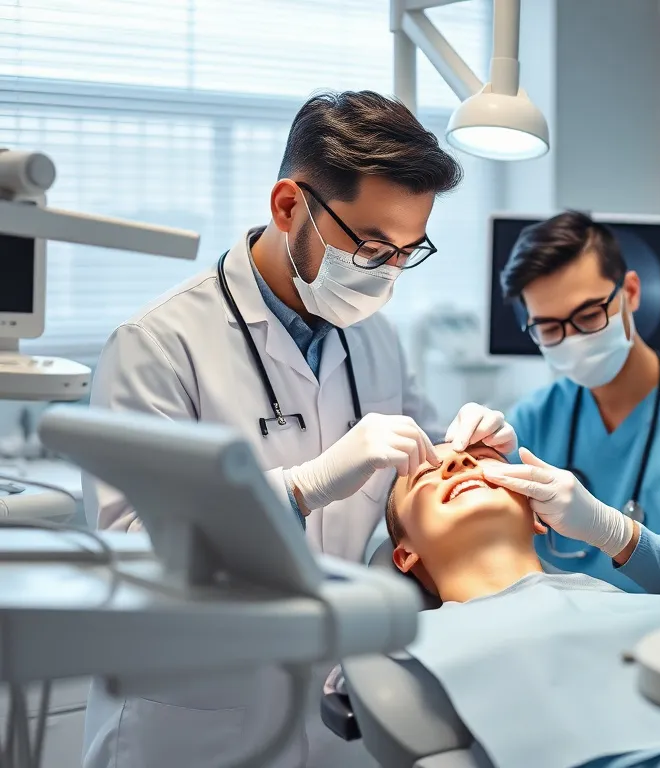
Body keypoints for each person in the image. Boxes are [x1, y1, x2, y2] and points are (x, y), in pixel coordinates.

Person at [81, 91, 517, 768]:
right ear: (289, 206)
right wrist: (299, 489)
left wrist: (478, 446)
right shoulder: (159, 344)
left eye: (409, 250)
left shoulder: (373, 340)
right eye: (371, 246)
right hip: (194, 722)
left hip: (332, 712)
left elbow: (425, 465)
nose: (388, 273)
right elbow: (131, 556)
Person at [349, 441, 660, 768]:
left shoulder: (630, 603)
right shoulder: (415, 644)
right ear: (405, 555)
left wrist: (612, 529)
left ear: (537, 516)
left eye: (483, 462)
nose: (458, 461)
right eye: (427, 475)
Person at [495, 211, 660, 596]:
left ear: (631, 292)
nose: (573, 340)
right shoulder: (531, 419)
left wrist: (614, 533)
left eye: (588, 315)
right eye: (550, 328)